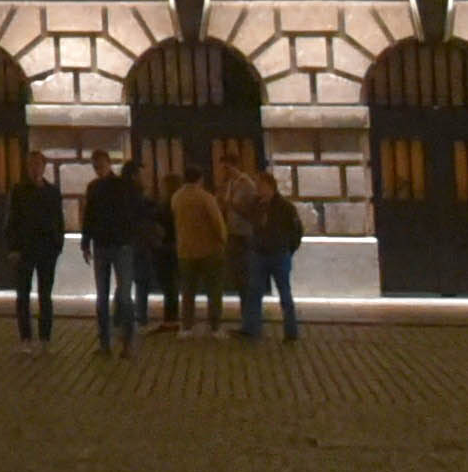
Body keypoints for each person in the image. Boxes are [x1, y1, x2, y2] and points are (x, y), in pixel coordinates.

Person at [79, 154, 152, 359]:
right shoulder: (97, 187)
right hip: (106, 245)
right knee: (106, 296)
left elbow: (134, 213)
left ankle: (123, 341)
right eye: (95, 166)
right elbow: (89, 217)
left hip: (119, 246)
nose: (98, 169)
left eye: (100, 165)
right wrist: (85, 242)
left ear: (108, 164)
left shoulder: (120, 186)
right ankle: (108, 343)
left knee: (122, 295)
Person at [232, 163, 305, 341]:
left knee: (285, 294)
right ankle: (251, 329)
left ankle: (290, 331)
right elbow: (245, 216)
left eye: (260, 186)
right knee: (254, 293)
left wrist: (288, 248)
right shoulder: (256, 205)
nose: (258, 189)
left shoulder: (285, 207)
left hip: (278, 255)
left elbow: (297, 230)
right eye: (257, 185)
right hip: (259, 254)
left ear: (270, 186)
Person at [7, 155, 69, 347]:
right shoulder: (18, 191)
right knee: (23, 295)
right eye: (32, 165)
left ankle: (45, 337)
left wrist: (58, 244)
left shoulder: (52, 192)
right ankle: (26, 336)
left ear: (44, 167)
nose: (35, 169)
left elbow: (59, 219)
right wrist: (13, 247)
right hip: (25, 249)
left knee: (45, 294)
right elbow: (12, 221)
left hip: (47, 249)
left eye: (38, 165)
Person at [166, 168, 230, 339]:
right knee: (214, 290)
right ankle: (215, 327)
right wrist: (223, 240)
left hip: (185, 250)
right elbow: (217, 223)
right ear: (200, 179)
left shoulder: (176, 198)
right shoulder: (206, 198)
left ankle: (186, 327)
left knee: (187, 290)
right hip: (209, 250)